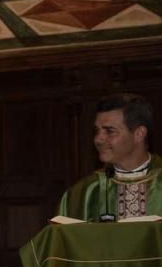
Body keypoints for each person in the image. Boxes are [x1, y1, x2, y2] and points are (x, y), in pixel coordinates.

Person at [58, 92, 161, 220]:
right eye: (97, 131)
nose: (98, 139)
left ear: (139, 134)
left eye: (109, 131)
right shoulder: (83, 194)